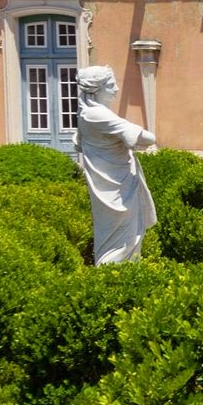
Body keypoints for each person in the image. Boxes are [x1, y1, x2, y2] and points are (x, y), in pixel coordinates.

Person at [74, 65, 156, 264]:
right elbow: (148, 138)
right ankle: (112, 281)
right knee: (121, 242)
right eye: (110, 85)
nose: (117, 89)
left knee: (119, 238)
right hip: (116, 189)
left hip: (114, 183)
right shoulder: (98, 115)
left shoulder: (87, 112)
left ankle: (117, 279)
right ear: (96, 89)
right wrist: (132, 131)